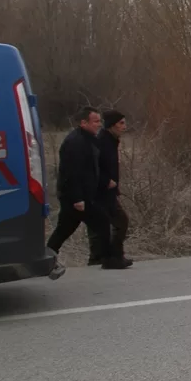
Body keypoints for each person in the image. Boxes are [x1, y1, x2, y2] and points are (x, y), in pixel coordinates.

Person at [47, 106, 127, 274]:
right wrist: (77, 199)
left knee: (64, 230)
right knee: (102, 222)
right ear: (83, 123)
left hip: (81, 196)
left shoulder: (88, 139)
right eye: (96, 121)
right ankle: (108, 259)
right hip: (76, 197)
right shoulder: (76, 142)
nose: (99, 125)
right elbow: (71, 172)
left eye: (100, 121)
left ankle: (47, 257)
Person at [85, 109, 133, 268]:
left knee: (102, 226)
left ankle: (101, 258)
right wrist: (106, 181)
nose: (124, 126)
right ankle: (113, 257)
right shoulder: (102, 142)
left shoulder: (111, 140)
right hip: (101, 192)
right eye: (121, 123)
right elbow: (92, 166)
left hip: (107, 192)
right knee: (121, 221)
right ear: (112, 125)